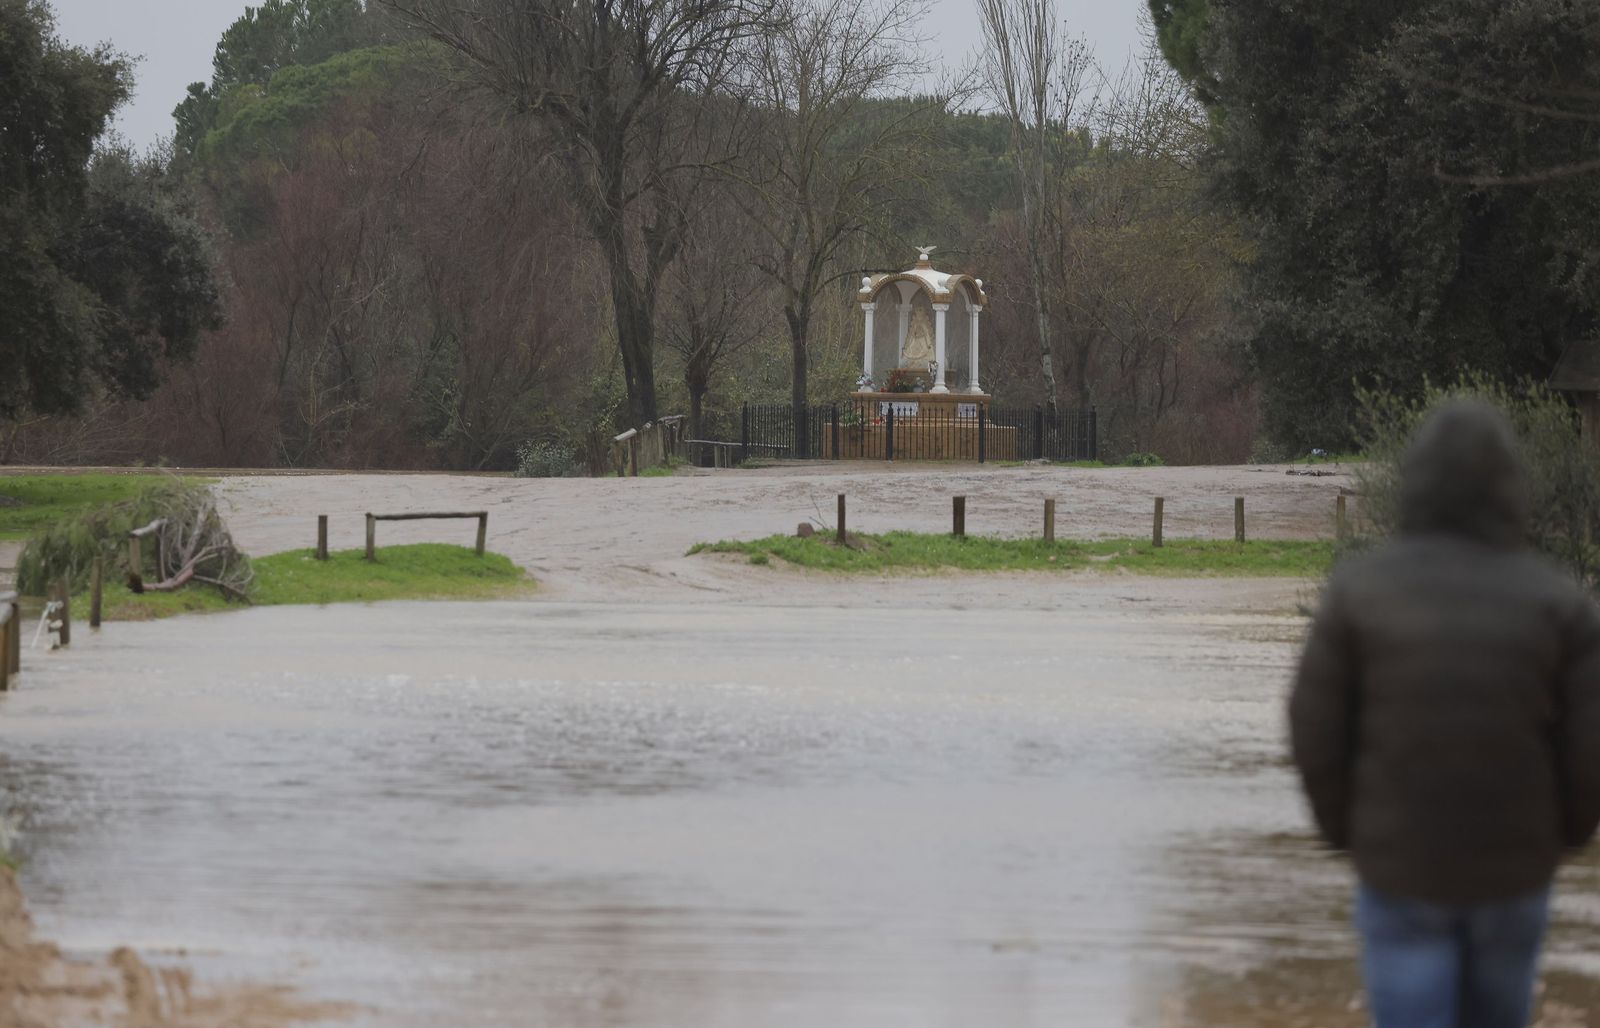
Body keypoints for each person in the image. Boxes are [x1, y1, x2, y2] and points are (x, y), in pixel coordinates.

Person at [1290, 398, 1600, 1028]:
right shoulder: (1559, 601)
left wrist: (1345, 830)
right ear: (1511, 488)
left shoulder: (1359, 592)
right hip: (1516, 867)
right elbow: (1590, 743)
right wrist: (1563, 833)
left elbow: (1313, 726)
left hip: (1400, 868)